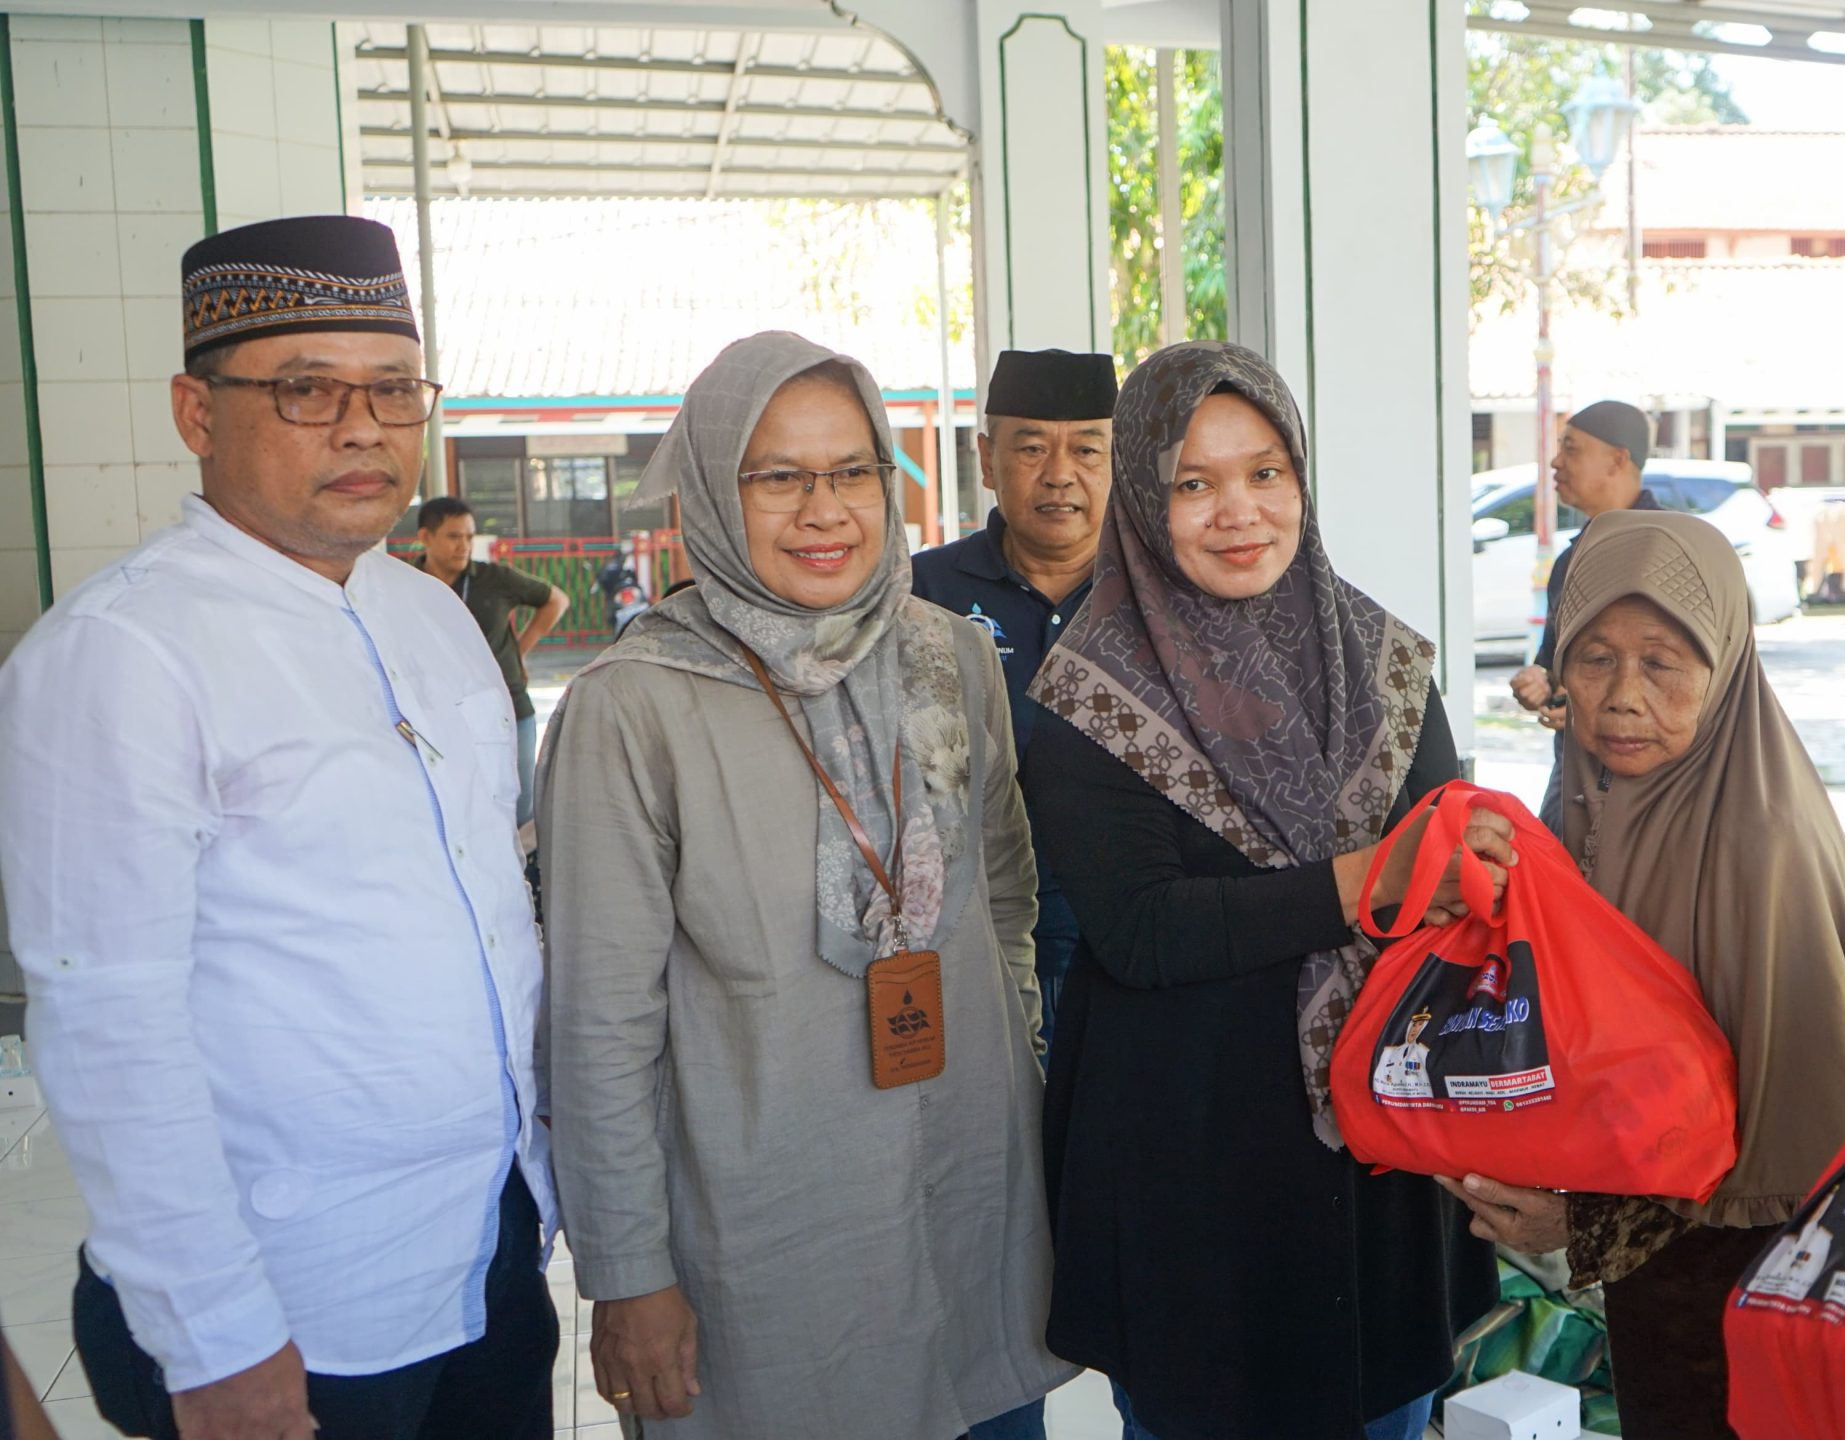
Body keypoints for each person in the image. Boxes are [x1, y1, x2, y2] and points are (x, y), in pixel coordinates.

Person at [0, 215, 555, 1440]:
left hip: (487, 1249)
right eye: (306, 389)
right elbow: (107, 1028)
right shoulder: (119, 656)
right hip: (291, 1307)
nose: (363, 427)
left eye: (394, 390)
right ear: (197, 413)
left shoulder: (430, 613)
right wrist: (217, 1343)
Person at [539, 332, 1071, 1440]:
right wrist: (628, 1272)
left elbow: (1004, 892)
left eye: (852, 472)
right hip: (769, 1236)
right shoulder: (634, 707)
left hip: (974, 1200)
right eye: (777, 476)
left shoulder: (947, 656)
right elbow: (599, 1023)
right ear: (711, 496)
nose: (823, 510)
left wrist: (1010, 1043)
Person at [1022, 340, 1503, 1440]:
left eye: (1265, 472)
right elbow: (1142, 930)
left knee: (1388, 1411)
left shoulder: (1378, 656)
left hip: (1376, 1158)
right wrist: (1361, 885)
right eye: (1194, 483)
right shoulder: (1090, 688)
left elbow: (1444, 872)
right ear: (1144, 497)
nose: (1238, 510)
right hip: (1191, 1171)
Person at [1444, 509, 1845, 1438]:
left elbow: (1785, 1155)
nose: (1622, 696)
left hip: (1744, 1295)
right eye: (1594, 657)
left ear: (1723, 666)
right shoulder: (1588, 800)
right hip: (1658, 1290)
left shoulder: (1763, 847)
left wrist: (1584, 1224)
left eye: (1663, 662)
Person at [914, 348, 1117, 1048]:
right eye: (1031, 447)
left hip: (1123, 945)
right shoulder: (920, 596)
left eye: (1087, 449)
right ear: (985, 458)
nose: (1059, 474)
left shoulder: (1165, 598)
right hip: (969, 942)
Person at [413, 495, 569, 825]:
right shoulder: (405, 582)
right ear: (426, 537)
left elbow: (555, 600)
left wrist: (521, 649)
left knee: (520, 809)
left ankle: (524, 876)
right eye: (454, 536)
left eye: (469, 537)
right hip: (441, 713)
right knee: (459, 806)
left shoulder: (493, 579)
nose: (464, 546)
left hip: (508, 707)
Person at [1506, 400, 1660, 735]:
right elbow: (1555, 661)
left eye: (1571, 449)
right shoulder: (1571, 559)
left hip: (1649, 764)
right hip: (1575, 760)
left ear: (1618, 460)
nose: (1555, 461)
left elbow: (1678, 671)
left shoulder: (1667, 549)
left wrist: (1595, 708)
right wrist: (1542, 681)